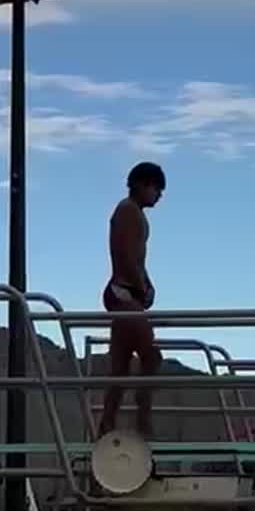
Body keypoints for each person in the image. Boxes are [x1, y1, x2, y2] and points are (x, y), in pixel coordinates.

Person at [100, 162, 166, 437]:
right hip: (124, 293)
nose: (159, 195)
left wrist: (147, 285)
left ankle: (106, 427)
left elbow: (137, 259)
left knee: (121, 366)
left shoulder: (133, 213)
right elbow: (126, 256)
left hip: (128, 292)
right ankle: (143, 417)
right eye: (156, 188)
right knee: (151, 356)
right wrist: (141, 286)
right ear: (142, 184)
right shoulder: (128, 211)